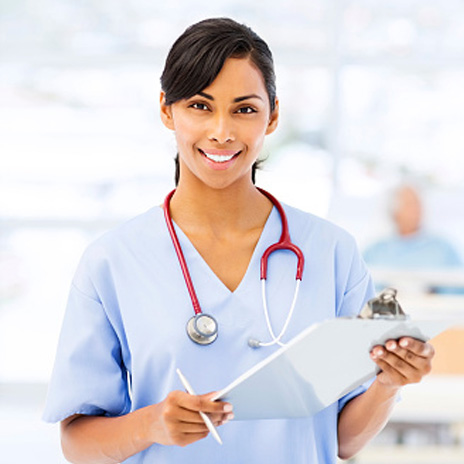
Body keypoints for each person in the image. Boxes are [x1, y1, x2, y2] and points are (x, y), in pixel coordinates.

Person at [43, 18, 434, 464]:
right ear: (166, 110)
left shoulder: (331, 253)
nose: (222, 131)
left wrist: (387, 383)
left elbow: (342, 441)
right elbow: (77, 444)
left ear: (273, 115)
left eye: (244, 109)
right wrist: (151, 424)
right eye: (199, 106)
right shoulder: (112, 261)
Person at [364, 184, 463, 292]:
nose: (417, 210)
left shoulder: (444, 248)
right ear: (394, 212)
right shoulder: (375, 251)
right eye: (409, 205)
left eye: (418, 204)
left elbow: (457, 290)